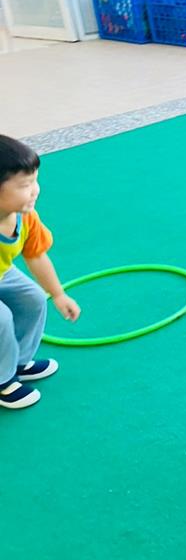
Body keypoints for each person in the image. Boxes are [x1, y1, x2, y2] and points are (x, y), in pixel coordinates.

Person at [0, 135, 81, 410]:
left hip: (2, 272)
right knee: (2, 318)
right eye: (25, 185)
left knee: (33, 298)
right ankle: (2, 380)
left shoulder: (25, 217)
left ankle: (19, 362)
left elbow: (36, 256)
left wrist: (58, 294)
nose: (35, 190)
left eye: (34, 181)